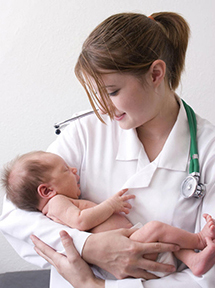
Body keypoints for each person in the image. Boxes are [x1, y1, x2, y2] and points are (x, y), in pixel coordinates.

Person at [1, 11, 215, 288]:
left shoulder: (208, 150)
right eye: (96, 93)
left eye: (112, 92)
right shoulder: (85, 130)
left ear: (155, 74)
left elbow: (206, 278)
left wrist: (96, 286)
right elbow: (14, 213)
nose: (102, 107)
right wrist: (89, 246)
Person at [2, 150, 215, 278]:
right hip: (128, 248)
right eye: (66, 170)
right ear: (47, 191)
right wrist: (110, 205)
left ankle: (193, 260)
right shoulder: (56, 203)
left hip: (132, 243)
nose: (74, 170)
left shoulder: (60, 200)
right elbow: (80, 221)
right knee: (156, 228)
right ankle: (198, 240)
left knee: (164, 239)